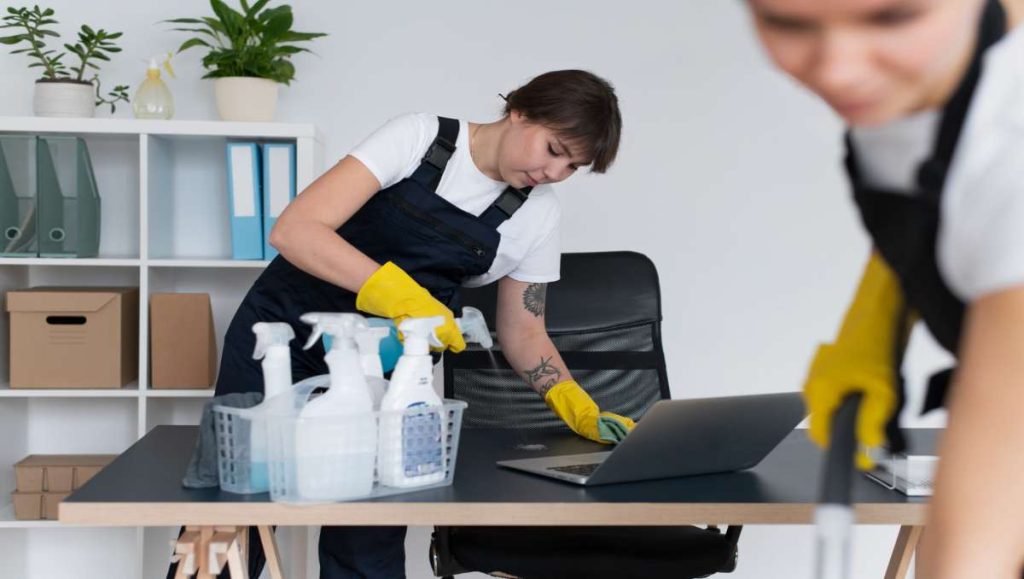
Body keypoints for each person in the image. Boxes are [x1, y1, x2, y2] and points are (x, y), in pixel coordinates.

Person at [172, 69, 628, 578]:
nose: (553, 172)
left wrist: (577, 406)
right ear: (520, 111)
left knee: (369, 536)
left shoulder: (538, 216)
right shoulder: (419, 138)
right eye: (553, 148)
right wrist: (402, 296)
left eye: (572, 166)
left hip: (389, 378)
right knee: (229, 513)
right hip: (280, 342)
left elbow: (524, 331)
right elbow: (296, 230)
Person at [746, 0, 1024, 576]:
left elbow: (974, 553)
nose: (838, 68)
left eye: (893, 18)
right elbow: (937, 194)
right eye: (788, 23)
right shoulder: (927, 79)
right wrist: (879, 310)